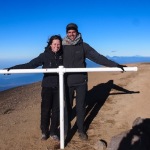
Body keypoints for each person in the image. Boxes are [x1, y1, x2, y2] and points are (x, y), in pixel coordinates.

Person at [62, 23, 126, 140]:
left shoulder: (83, 46)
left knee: (81, 107)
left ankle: (81, 130)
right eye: (69, 32)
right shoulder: (62, 46)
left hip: (81, 81)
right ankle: (66, 129)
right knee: (66, 107)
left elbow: (97, 57)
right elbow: (51, 55)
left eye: (73, 32)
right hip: (67, 82)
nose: (71, 34)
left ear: (77, 32)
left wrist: (114, 65)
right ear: (66, 33)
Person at [6, 35, 63, 141]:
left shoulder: (63, 55)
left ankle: (53, 132)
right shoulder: (44, 55)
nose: (57, 46)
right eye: (54, 44)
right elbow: (30, 65)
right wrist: (11, 69)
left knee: (56, 111)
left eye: (58, 44)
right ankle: (44, 132)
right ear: (50, 44)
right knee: (45, 110)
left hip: (59, 88)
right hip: (47, 87)